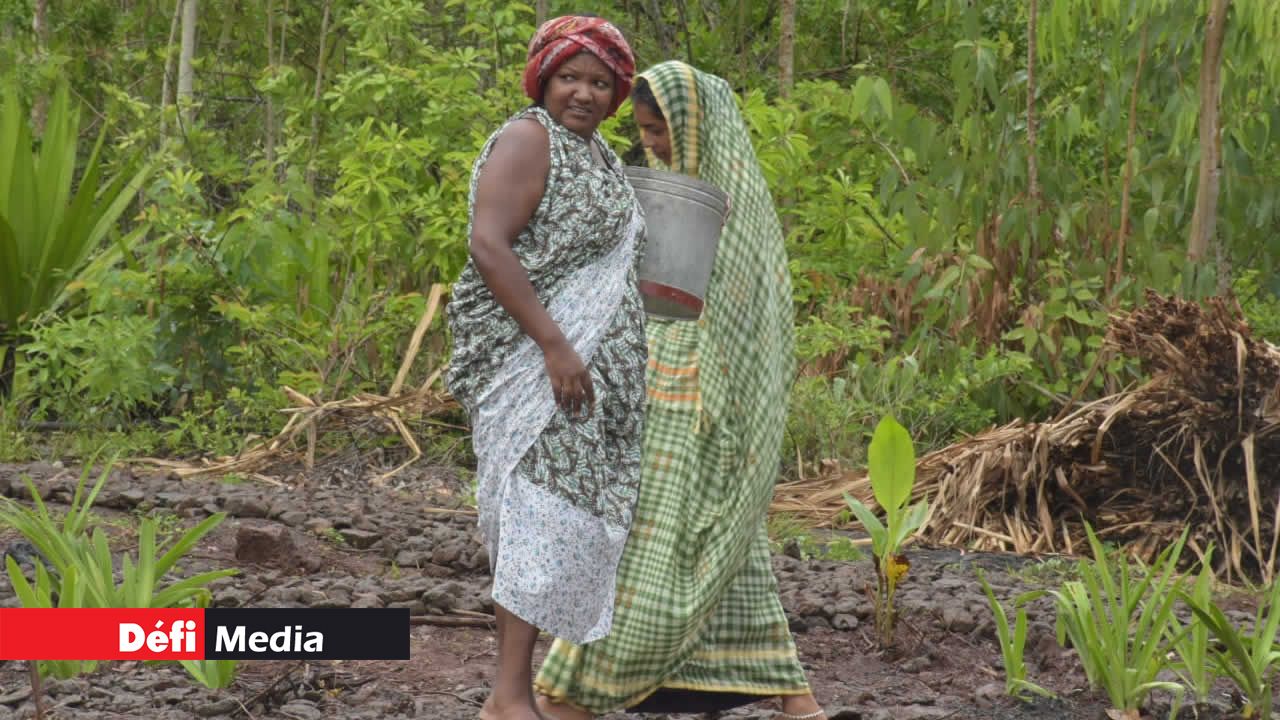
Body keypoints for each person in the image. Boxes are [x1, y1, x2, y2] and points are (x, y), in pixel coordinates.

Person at [534, 61, 827, 720]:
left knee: (654, 550)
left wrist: (708, 397)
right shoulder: (670, 194)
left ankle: (578, 690)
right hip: (661, 396)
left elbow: (746, 324)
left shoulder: (737, 210)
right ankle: (797, 702)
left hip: (702, 408)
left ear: (695, 127)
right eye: (644, 134)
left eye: (660, 133)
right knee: (722, 549)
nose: (654, 147)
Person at [443, 16, 647, 720]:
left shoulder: (599, 156)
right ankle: (507, 697)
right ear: (543, 79)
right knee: (533, 515)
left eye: (600, 82)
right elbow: (489, 245)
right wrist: (556, 345)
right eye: (570, 78)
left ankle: (528, 692)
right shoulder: (530, 138)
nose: (584, 94)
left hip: (581, 379)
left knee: (559, 518)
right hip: (532, 364)